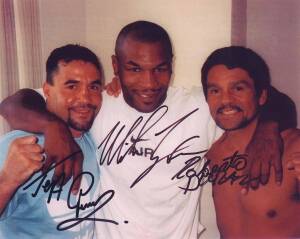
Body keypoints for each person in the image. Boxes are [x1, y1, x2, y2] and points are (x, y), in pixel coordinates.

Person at [0, 21, 287, 238]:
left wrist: (269, 129)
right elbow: (14, 103)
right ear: (116, 66)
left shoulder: (199, 105)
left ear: (171, 66)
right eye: (135, 69)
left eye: (160, 69)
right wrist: (54, 128)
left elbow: (264, 96)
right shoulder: (97, 103)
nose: (149, 83)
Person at [0, 44, 103, 238]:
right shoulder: (17, 145)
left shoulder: (93, 138)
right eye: (72, 86)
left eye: (94, 87)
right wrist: (7, 181)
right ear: (46, 90)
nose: (85, 97)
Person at [202, 46, 300, 238]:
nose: (226, 100)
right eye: (215, 90)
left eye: (238, 88)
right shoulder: (211, 152)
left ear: (262, 96)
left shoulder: (294, 148)